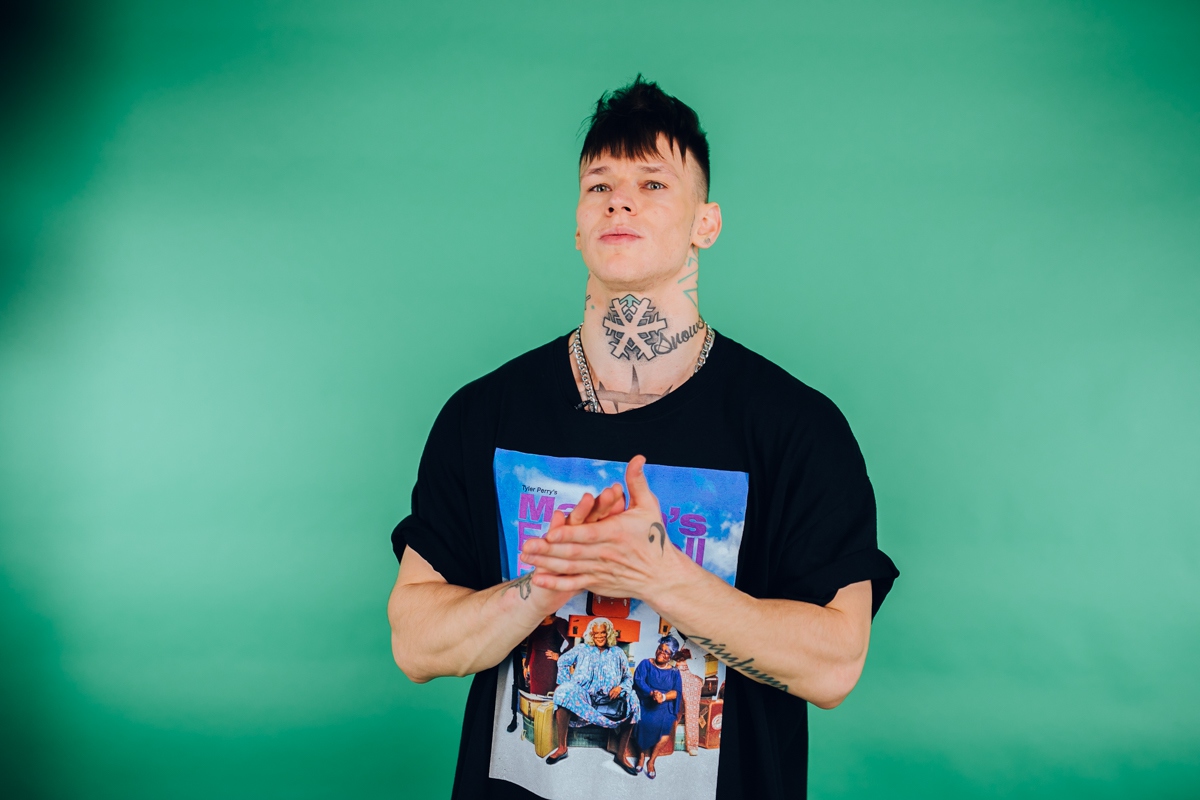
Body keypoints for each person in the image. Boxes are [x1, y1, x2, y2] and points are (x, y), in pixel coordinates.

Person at [387, 75, 900, 799]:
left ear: (705, 223)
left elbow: (836, 665)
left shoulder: (797, 428)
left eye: (653, 184)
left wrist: (660, 575)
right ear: (576, 225)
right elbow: (414, 643)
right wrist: (545, 584)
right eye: (599, 186)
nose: (619, 201)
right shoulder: (484, 414)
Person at [545, 618, 640, 766]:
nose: (600, 636)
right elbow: (562, 661)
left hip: (610, 701)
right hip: (584, 698)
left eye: (603, 632)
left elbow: (628, 677)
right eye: (596, 633)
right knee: (563, 692)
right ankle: (562, 748)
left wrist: (620, 687)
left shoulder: (618, 653)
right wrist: (566, 683)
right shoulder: (582, 649)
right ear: (591, 635)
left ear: (608, 633)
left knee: (633, 699)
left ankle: (621, 754)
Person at [631, 635, 684, 778]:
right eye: (660, 649)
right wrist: (652, 693)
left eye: (666, 652)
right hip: (646, 702)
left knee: (665, 732)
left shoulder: (674, 672)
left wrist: (663, 697)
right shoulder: (645, 664)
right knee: (642, 724)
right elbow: (638, 681)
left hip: (664, 706)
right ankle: (641, 756)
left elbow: (676, 692)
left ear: (671, 656)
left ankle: (652, 761)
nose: (662, 652)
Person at [673, 647, 703, 756]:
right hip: (677, 671)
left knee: (691, 712)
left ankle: (692, 745)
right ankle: (668, 743)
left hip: (691, 673)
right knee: (675, 710)